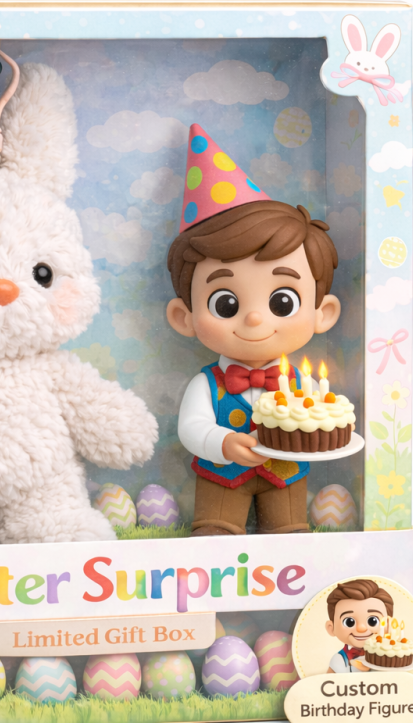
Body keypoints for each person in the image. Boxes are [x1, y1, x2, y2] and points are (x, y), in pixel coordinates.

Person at [166, 125, 340, 536]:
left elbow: (320, 421)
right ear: (183, 316)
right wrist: (222, 444)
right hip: (221, 475)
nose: (256, 319)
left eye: (283, 302)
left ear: (324, 313)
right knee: (213, 534)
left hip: (286, 476)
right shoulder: (207, 384)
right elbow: (190, 427)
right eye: (226, 304)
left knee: (291, 535)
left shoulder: (303, 384)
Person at [325, 579, 394, 673]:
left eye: (372, 621)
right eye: (349, 622)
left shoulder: (391, 657)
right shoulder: (338, 660)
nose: (361, 628)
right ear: (331, 628)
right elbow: (326, 681)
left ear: (389, 625)